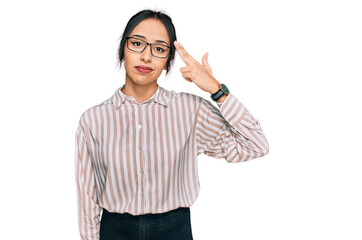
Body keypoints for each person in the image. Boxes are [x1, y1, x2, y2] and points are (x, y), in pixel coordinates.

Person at [74, 9, 269, 240]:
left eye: (159, 49)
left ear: (167, 61)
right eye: (137, 44)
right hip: (115, 230)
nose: (146, 57)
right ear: (122, 51)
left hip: (173, 230)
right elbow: (88, 195)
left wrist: (216, 90)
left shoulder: (191, 111)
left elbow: (256, 145)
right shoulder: (93, 120)